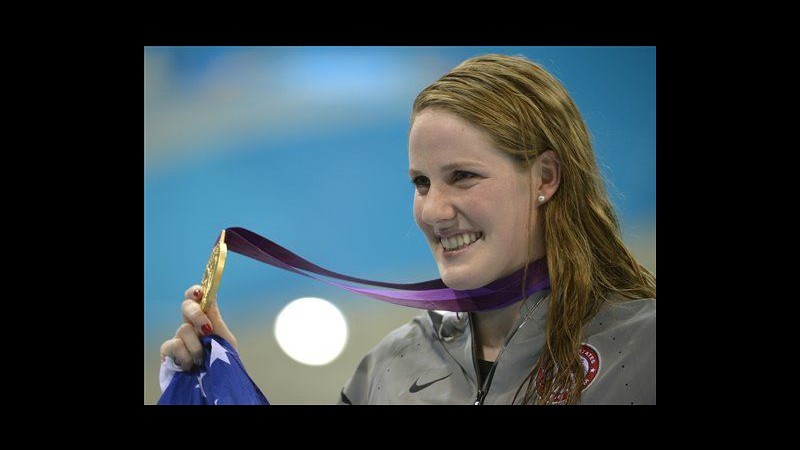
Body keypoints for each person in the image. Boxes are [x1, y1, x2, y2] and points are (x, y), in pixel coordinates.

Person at [159, 54, 656, 405]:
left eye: (462, 177)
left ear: (545, 178)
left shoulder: (641, 349)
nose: (434, 210)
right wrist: (224, 382)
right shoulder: (390, 367)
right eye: (421, 183)